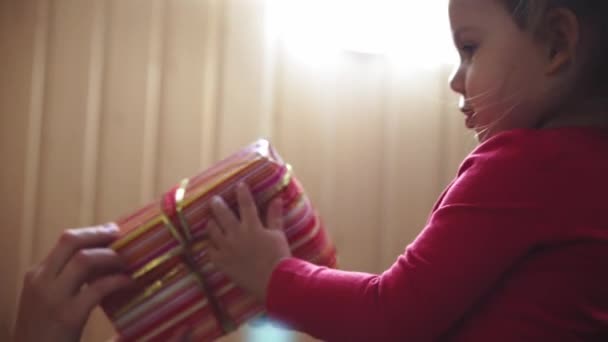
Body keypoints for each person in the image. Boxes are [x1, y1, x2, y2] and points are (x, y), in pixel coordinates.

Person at [13, 0, 608, 340]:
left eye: (470, 48)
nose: (456, 79)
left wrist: (272, 272)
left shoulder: (520, 165)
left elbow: (391, 314)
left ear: (557, 41)